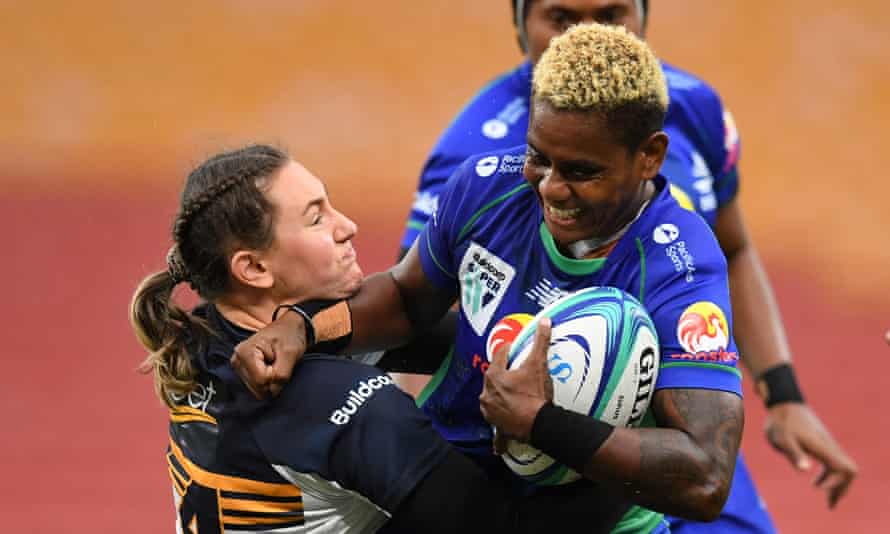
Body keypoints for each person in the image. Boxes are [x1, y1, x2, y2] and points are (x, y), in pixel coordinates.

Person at [232, 23, 744, 532]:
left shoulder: (681, 265)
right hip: (448, 488)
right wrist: (301, 326)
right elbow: (407, 301)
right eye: (539, 158)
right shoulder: (486, 187)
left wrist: (539, 422)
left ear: (649, 156)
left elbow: (705, 477)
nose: (551, 189)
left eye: (582, 172)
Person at [396, 1, 857, 531]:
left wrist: (784, 394)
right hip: (548, 472)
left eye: (613, 14)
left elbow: (733, 249)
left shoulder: (691, 106)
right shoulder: (477, 149)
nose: (589, 34)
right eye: (562, 18)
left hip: (676, 428)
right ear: (519, 20)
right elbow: (418, 306)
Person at [129, 144, 639, 533]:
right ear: (255, 268)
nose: (347, 226)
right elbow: (500, 527)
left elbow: (459, 342)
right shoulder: (340, 408)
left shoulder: (212, 332)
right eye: (315, 218)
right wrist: (635, 471)